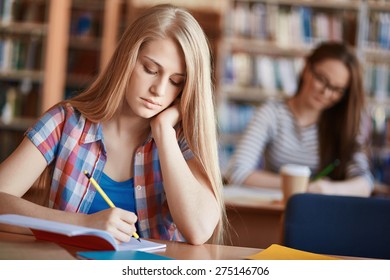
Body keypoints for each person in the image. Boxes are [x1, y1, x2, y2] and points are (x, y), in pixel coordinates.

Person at [0, 4, 226, 245]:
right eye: (150, 69)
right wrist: (84, 225)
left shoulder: (182, 139)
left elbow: (200, 230)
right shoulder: (65, 122)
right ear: (126, 60)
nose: (158, 90)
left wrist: (163, 131)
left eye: (175, 81)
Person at [226, 41, 373, 197]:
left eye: (337, 89)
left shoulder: (345, 123)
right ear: (306, 68)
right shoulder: (272, 113)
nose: (326, 93)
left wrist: (328, 189)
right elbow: (236, 172)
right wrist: (303, 185)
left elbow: (364, 183)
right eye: (322, 80)